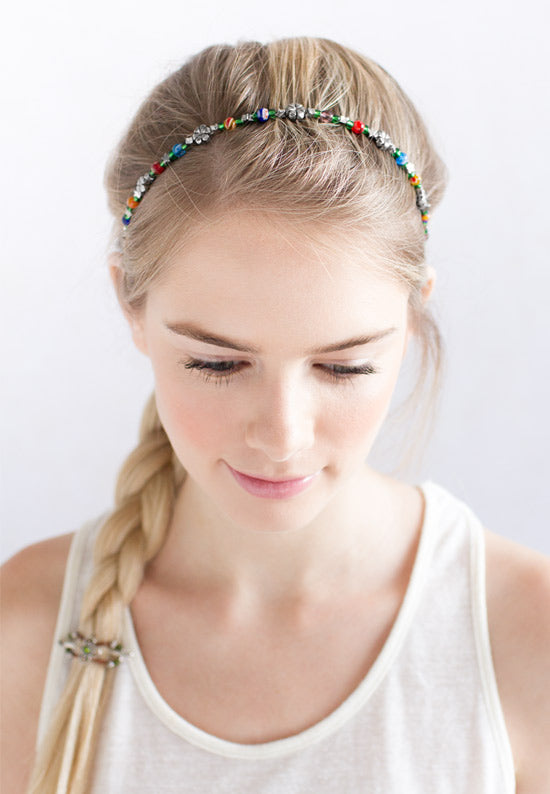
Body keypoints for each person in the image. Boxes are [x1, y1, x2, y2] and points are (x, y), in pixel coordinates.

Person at [1, 36, 549, 794]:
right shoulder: (24, 631)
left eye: (343, 367)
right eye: (217, 364)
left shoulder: (524, 635)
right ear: (131, 303)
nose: (282, 435)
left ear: (414, 316)